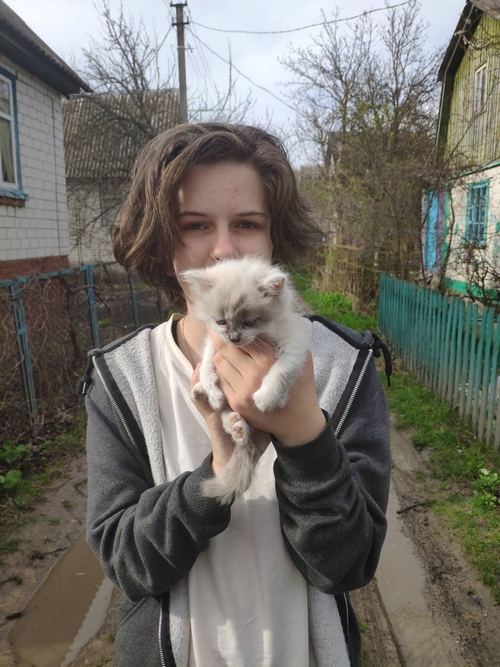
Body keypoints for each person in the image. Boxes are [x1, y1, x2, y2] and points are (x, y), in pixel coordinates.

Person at [80, 122, 391, 667]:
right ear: (163, 239)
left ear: (273, 239)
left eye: (247, 223)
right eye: (195, 225)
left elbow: (348, 566)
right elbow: (127, 565)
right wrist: (217, 475)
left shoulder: (343, 367)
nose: (223, 249)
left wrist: (304, 436)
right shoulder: (122, 380)